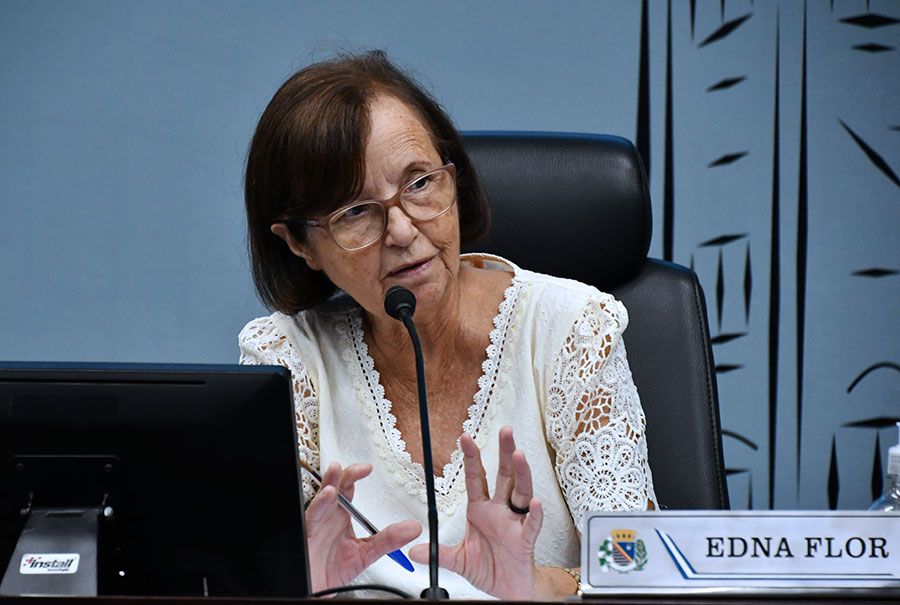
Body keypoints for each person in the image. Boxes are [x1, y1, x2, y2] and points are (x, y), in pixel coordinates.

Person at [239, 50, 656, 599]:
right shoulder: (291, 359)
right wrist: (291, 584)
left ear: (452, 180)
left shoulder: (569, 331)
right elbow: (248, 576)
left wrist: (539, 587)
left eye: (418, 183)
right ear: (299, 243)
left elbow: (641, 570)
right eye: (355, 212)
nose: (403, 231)